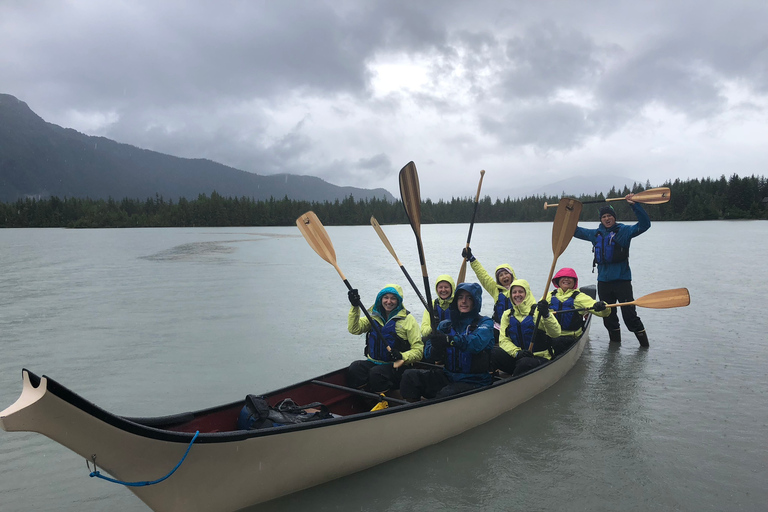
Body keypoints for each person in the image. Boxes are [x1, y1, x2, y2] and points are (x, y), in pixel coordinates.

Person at [573, 196, 651, 347]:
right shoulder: (595, 234)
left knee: (630, 316)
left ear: (614, 218)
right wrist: (573, 212)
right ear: (600, 219)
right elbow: (574, 231)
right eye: (604, 216)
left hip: (622, 281)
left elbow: (645, 225)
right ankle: (614, 349)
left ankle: (644, 348)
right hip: (603, 282)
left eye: (609, 216)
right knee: (608, 316)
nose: (607, 219)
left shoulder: (624, 231)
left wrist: (635, 206)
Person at [399, 282, 494, 401]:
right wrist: (436, 347)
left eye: (469, 298)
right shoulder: (446, 325)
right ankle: (411, 410)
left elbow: (476, 343)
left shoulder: (486, 323)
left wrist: (449, 340)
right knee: (409, 376)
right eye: (460, 297)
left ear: (476, 301)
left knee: (446, 394)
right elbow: (428, 353)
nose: (463, 301)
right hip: (448, 376)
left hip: (475, 381)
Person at [346, 284, 423, 394]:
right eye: (386, 297)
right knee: (355, 368)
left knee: (376, 373)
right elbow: (354, 329)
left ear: (399, 301)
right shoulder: (373, 316)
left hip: (397, 367)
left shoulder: (408, 320)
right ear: (380, 299)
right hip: (374, 362)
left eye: (393, 298)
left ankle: (386, 400)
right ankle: (366, 399)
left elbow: (419, 350)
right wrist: (355, 306)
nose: (389, 301)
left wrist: (403, 356)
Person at [492, 279, 561, 376]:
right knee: (492, 352)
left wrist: (546, 315)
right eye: (514, 292)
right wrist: (517, 353)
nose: (517, 295)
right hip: (518, 357)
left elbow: (556, 333)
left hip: (539, 358)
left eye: (521, 292)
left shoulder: (539, 311)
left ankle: (513, 385)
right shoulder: (507, 314)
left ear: (527, 293)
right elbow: (503, 340)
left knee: (524, 363)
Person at [546, 267, 610, 356]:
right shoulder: (549, 295)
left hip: (570, 336)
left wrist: (603, 307)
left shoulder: (580, 297)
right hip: (551, 334)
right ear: (558, 280)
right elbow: (536, 313)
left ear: (574, 281)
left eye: (569, 277)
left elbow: (604, 313)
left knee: (558, 342)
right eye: (563, 277)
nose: (566, 279)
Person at [460, 246, 516, 342]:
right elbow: (483, 275)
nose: (504, 277)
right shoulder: (496, 290)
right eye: (501, 275)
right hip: (498, 327)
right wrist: (471, 258)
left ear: (511, 275)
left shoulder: (520, 289)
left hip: (515, 327)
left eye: (506, 273)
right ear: (498, 279)